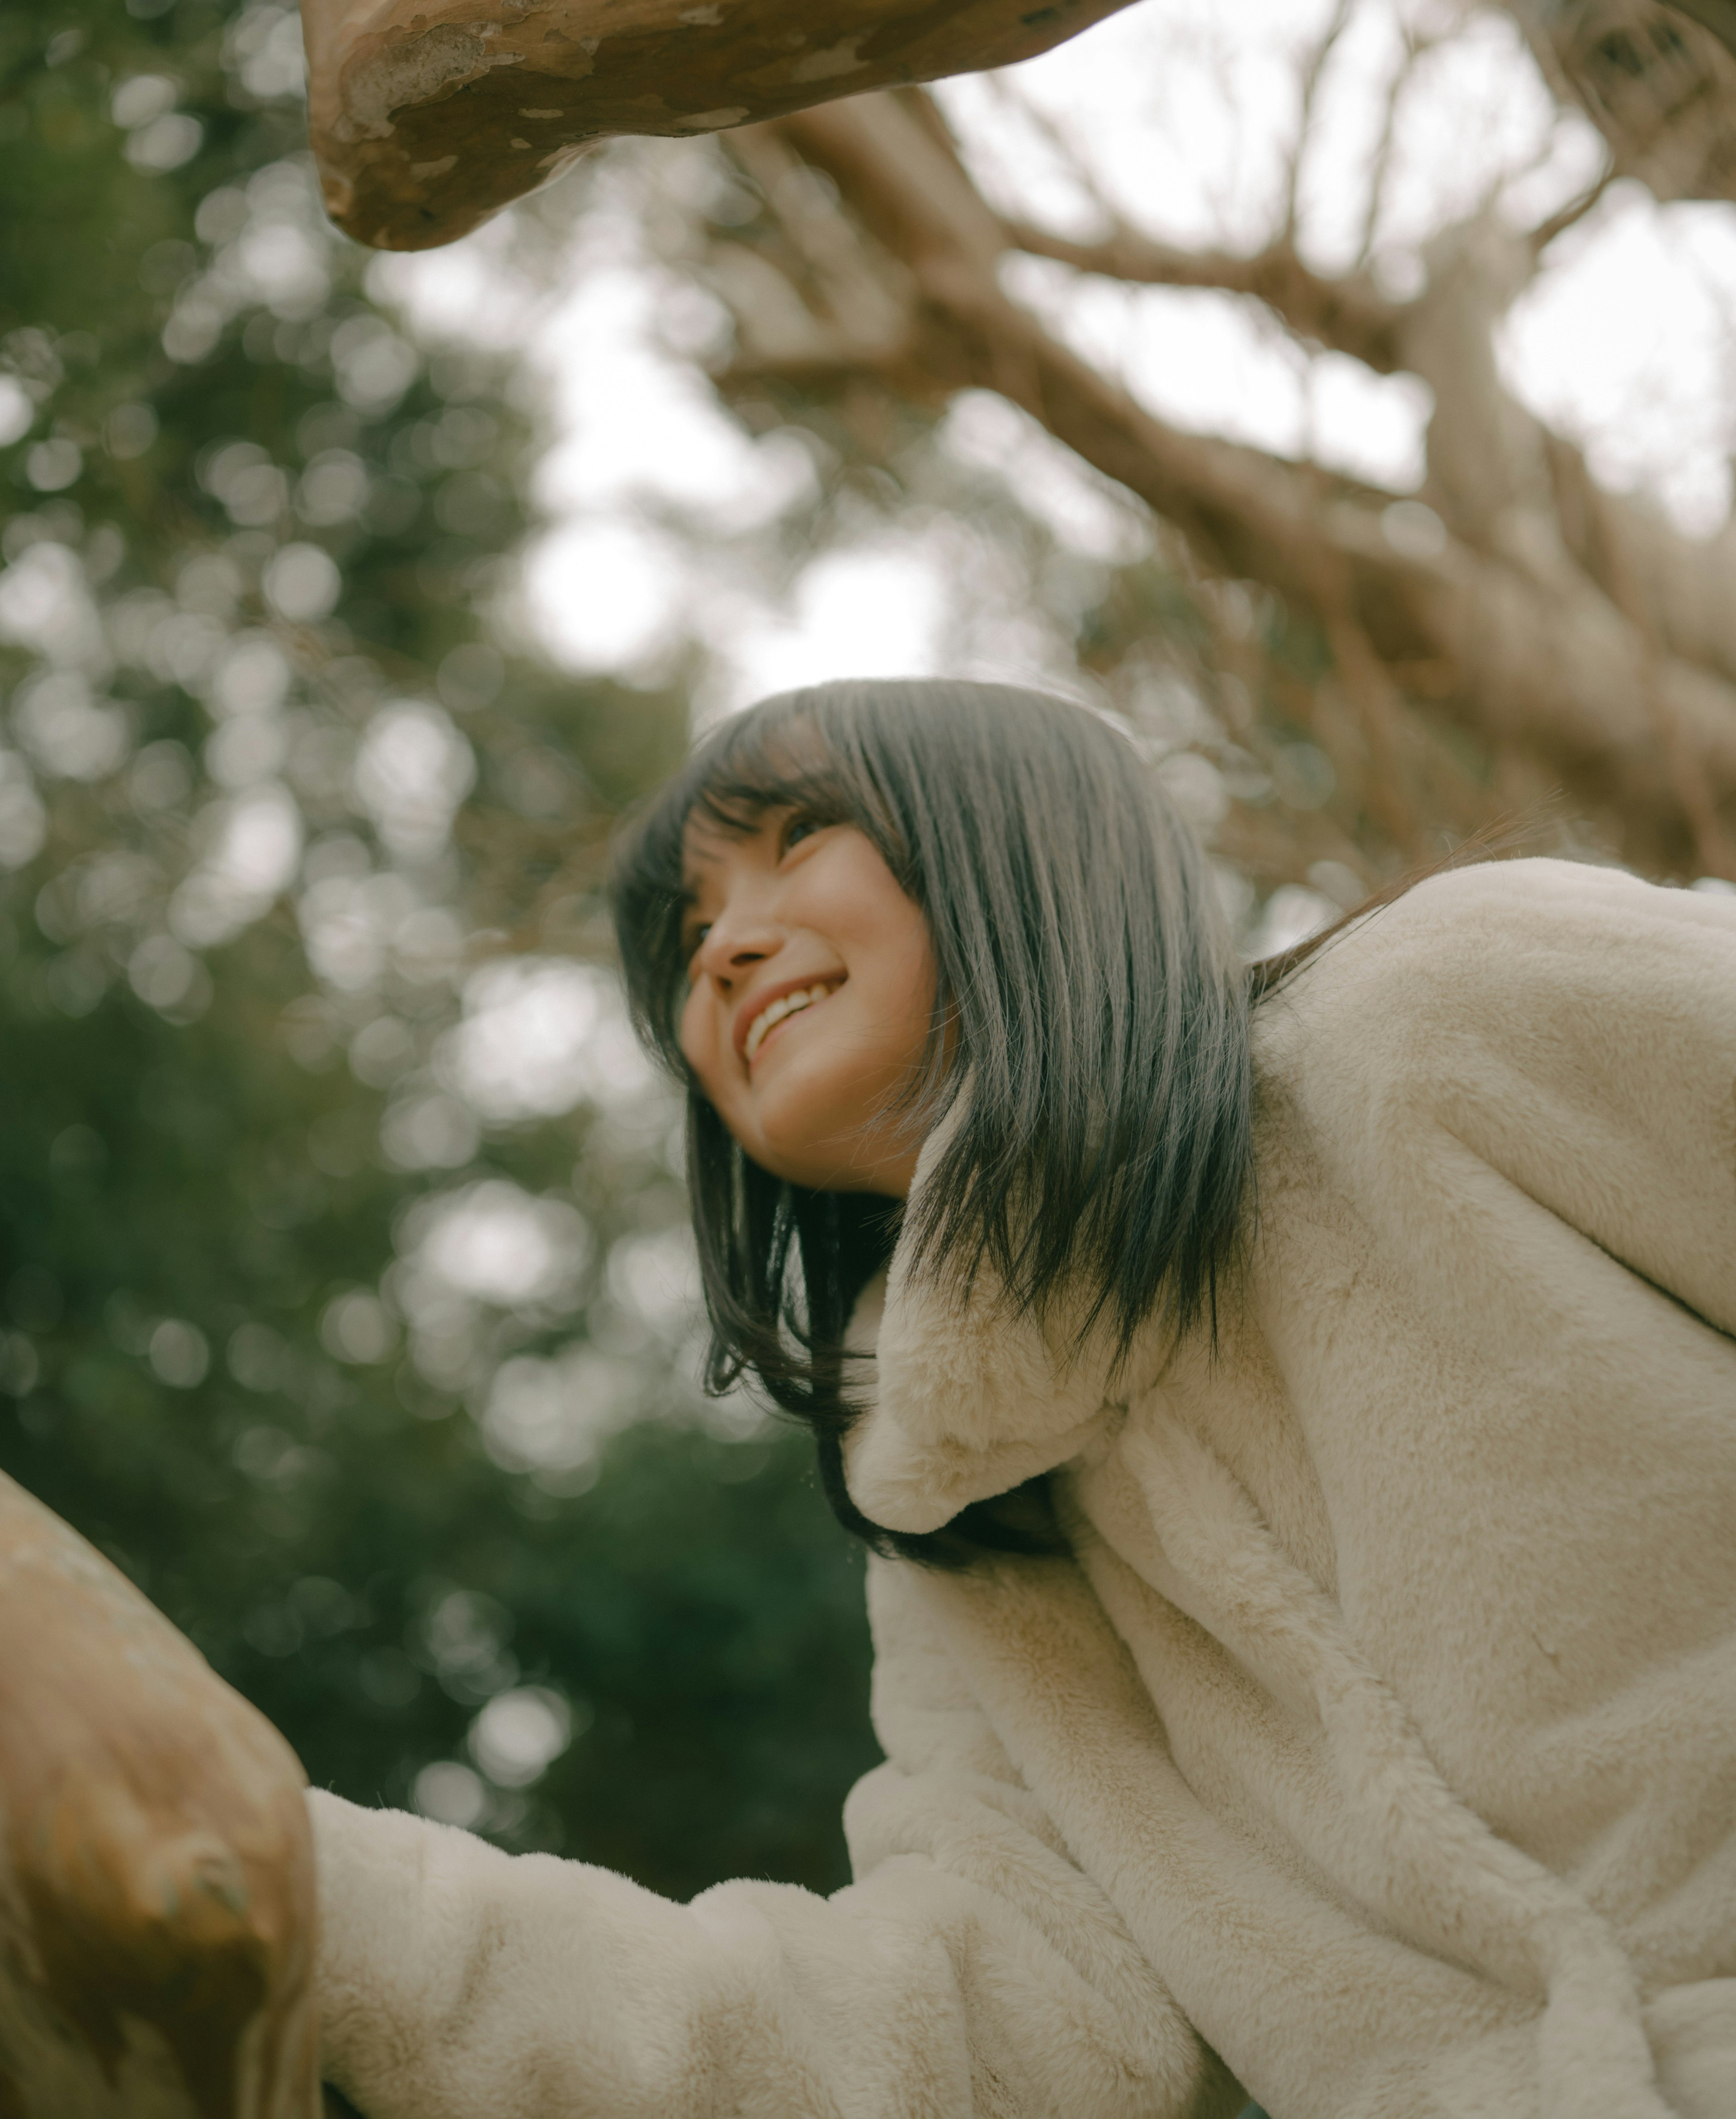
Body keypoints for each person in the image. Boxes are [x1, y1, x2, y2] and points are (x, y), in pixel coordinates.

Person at [308, 678, 1736, 2119]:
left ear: (1023, 833)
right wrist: (294, 1892)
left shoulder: (1445, 1006)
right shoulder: (957, 1514)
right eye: (687, 938)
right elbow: (979, 2041)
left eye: (799, 836)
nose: (726, 948)